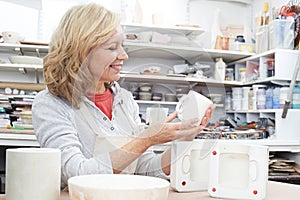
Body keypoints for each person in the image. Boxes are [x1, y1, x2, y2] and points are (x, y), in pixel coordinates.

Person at [32, 3, 214, 187]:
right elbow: (74, 173)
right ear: (81, 51)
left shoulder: (124, 100)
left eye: (122, 46)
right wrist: (146, 139)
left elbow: (145, 168)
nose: (124, 55)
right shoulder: (51, 104)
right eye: (112, 48)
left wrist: (184, 137)